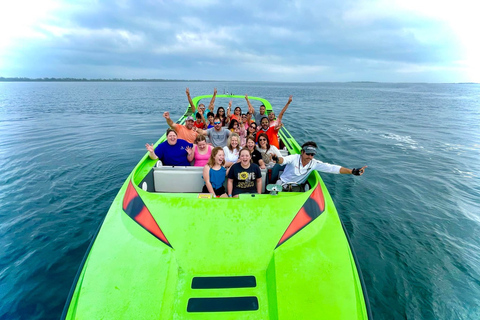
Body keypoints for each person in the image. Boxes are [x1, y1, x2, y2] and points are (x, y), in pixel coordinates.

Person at [275, 141, 368, 191]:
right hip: (282, 184)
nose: (310, 157)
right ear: (302, 152)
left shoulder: (314, 163)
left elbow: (332, 168)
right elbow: (283, 160)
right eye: (308, 154)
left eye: (312, 154)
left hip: (297, 188)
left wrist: (352, 171)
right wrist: (276, 159)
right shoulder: (294, 158)